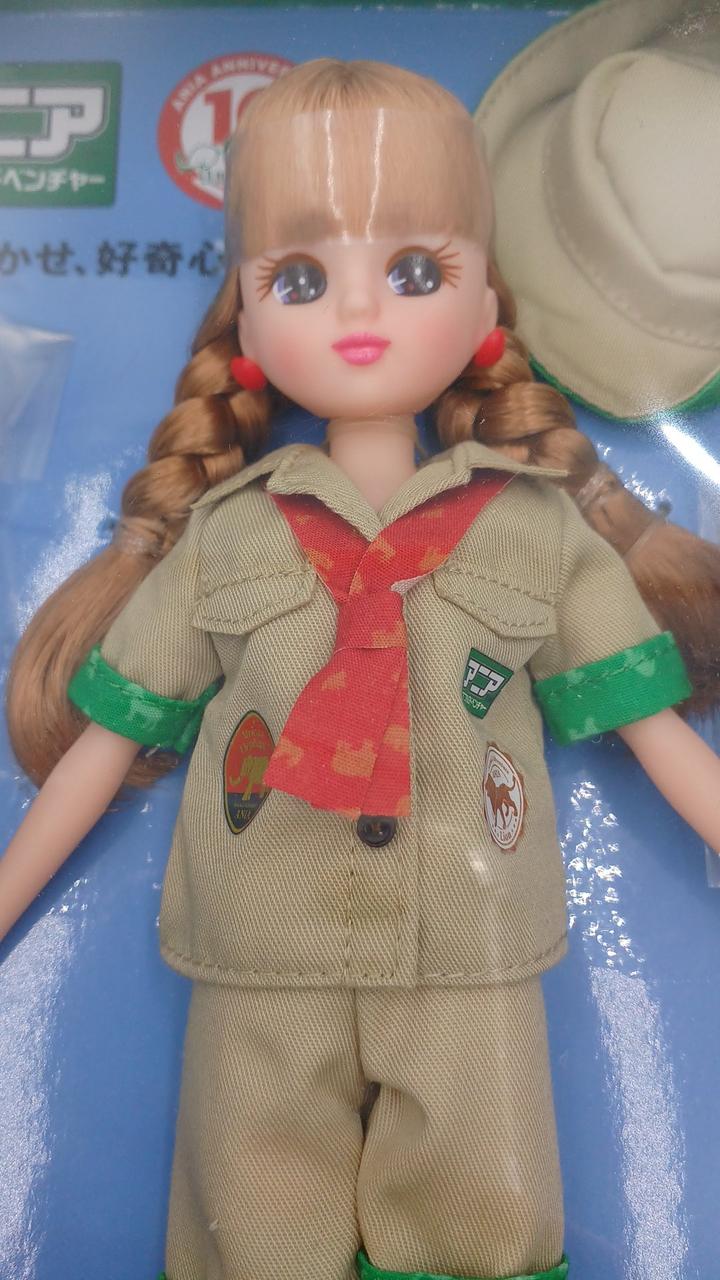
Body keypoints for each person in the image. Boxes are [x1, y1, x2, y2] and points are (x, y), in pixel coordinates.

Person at [2, 58, 719, 1280]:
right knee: (250, 1225)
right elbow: (104, 746)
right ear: (245, 318)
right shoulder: (228, 534)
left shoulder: (533, 530)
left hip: (471, 954)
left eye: (415, 270)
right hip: (258, 950)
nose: (356, 310)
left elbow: (657, 734)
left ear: (485, 299)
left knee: (482, 1231)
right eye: (298, 278)